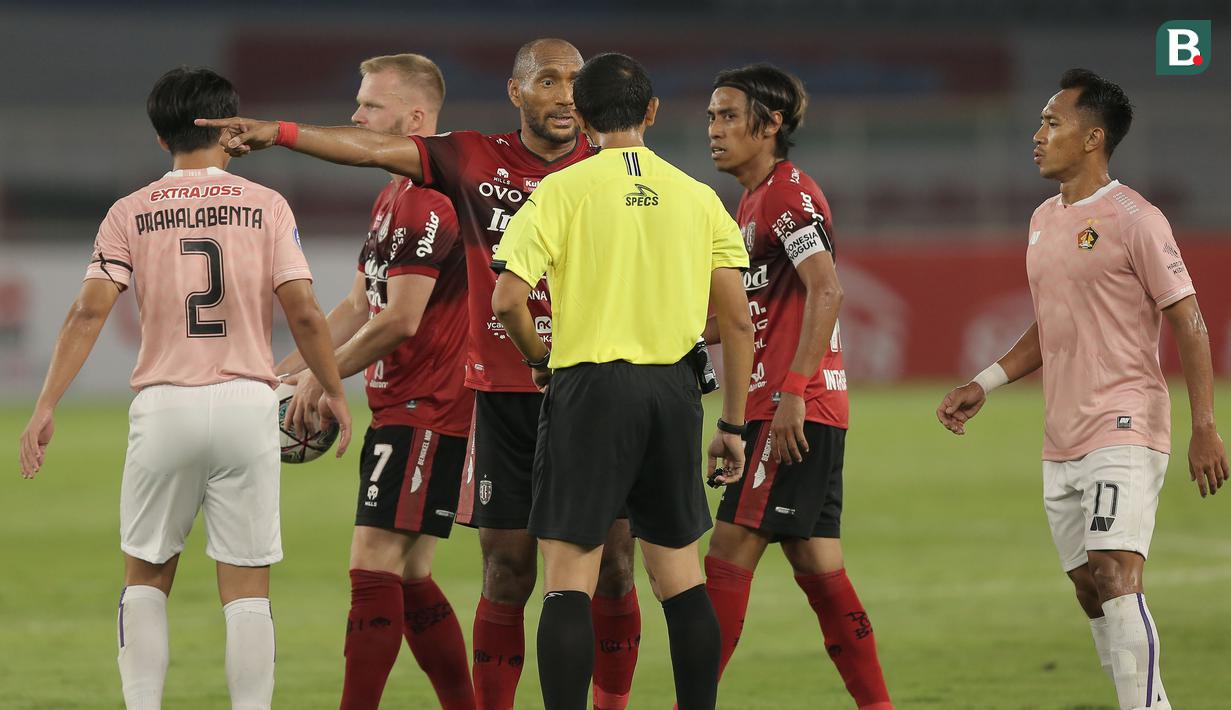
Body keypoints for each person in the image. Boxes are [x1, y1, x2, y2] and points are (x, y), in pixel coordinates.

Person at [196, 38, 642, 710]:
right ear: (516, 92)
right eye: (547, 81)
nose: (564, 96)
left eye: (574, 83)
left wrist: (323, 375)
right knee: (502, 571)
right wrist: (279, 134)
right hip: (500, 400)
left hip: (566, 393)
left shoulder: (614, 172)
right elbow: (360, 287)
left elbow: (399, 319)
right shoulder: (460, 167)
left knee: (609, 568)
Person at [16, 67, 352, 710]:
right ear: (228, 128)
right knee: (248, 590)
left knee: (145, 578)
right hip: (250, 406)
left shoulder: (130, 211)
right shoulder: (266, 204)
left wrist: (46, 405)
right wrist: (332, 389)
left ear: (159, 138)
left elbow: (88, 312)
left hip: (163, 405)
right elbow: (306, 312)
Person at [937, 68, 1228, 710]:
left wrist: (1204, 424)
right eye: (1040, 121)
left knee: (1116, 573)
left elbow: (1189, 319)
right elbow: (1052, 325)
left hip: (1125, 420)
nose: (1037, 134)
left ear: (1093, 137)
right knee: (1088, 587)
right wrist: (985, 382)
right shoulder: (1042, 219)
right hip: (1062, 432)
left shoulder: (1136, 220)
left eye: (1052, 122)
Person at [490, 52, 754, 710]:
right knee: (679, 580)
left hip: (587, 389)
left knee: (567, 581)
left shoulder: (561, 190)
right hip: (672, 393)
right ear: (653, 112)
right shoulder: (698, 196)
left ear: (579, 116)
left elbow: (505, 300)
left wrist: (538, 357)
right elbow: (739, 322)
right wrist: (732, 425)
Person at [271, 54, 473, 710]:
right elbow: (359, 305)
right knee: (410, 574)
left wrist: (323, 379)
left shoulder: (431, 199)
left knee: (371, 566)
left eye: (370, 108)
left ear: (415, 120)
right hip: (405, 406)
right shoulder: (393, 193)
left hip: (430, 406)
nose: (355, 118)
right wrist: (283, 368)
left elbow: (401, 320)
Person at [702, 64, 893, 709]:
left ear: (771, 123)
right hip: (784, 404)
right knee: (817, 567)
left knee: (727, 555)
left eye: (729, 116)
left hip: (790, 408)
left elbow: (828, 287)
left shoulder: (789, 195)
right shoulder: (749, 203)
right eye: (711, 117)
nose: (715, 130)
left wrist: (791, 390)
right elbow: (744, 314)